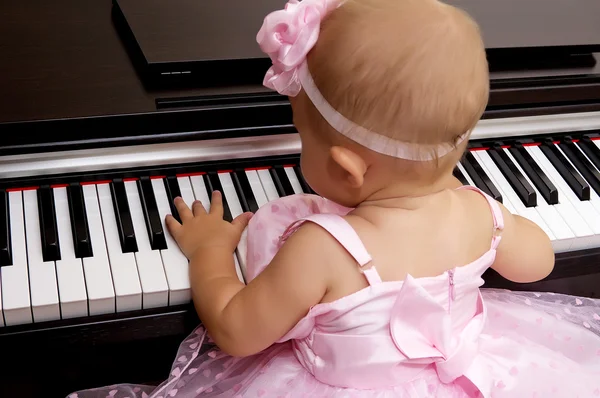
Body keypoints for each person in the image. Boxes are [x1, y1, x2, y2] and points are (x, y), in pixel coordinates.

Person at [67, 0, 600, 397]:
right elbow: (539, 263)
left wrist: (209, 251)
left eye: (304, 136)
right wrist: (498, 218)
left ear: (346, 166)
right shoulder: (479, 213)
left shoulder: (322, 248)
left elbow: (236, 331)